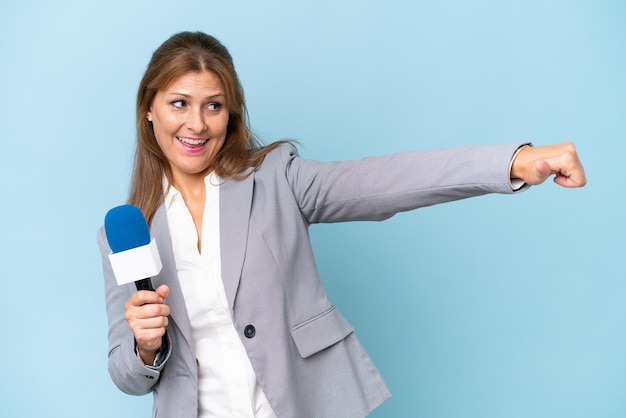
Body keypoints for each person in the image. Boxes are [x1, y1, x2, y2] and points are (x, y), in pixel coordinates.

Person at [97, 31, 586, 418]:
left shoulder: (276, 179)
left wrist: (512, 162)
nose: (197, 124)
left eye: (213, 105)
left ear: (231, 113)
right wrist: (144, 347)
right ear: (149, 109)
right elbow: (126, 374)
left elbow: (383, 182)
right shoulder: (125, 232)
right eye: (179, 103)